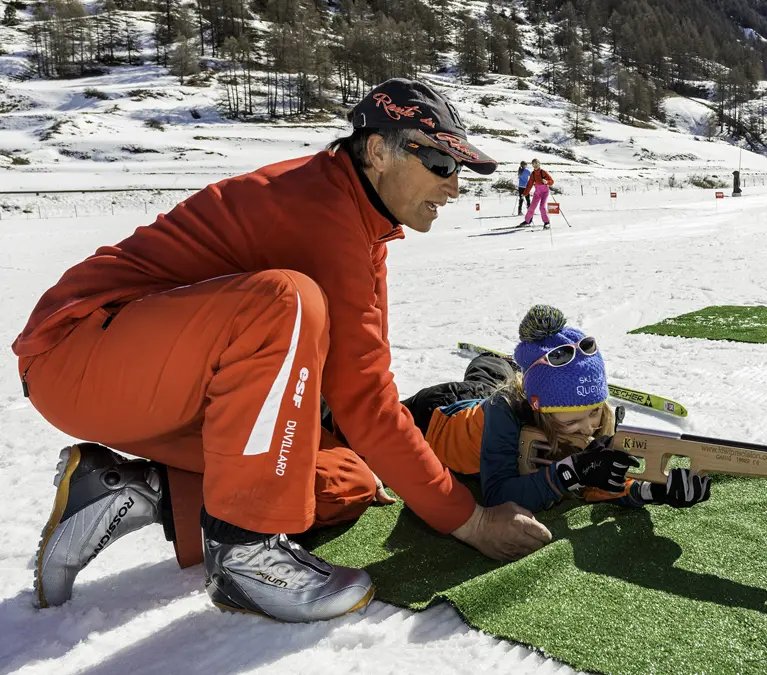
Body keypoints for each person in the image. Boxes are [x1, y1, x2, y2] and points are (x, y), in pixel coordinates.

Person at [15, 77, 552, 623]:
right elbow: (364, 399)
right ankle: (244, 553)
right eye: (440, 163)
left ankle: (133, 490)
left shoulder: (361, 222)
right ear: (377, 151)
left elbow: (363, 379)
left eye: (458, 167)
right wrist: (471, 522)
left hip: (163, 380)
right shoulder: (318, 210)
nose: (454, 186)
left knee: (345, 482)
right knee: (287, 302)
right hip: (78, 354)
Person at [404, 305, 712, 512]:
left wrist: (654, 491)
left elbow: (601, 480)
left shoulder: (595, 419)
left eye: (594, 411)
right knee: (484, 381)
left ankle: (505, 366)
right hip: (440, 412)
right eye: (576, 418)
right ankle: (500, 365)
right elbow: (498, 495)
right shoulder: (504, 412)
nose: (590, 426)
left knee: (495, 374)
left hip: (505, 392)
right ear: (543, 410)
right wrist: (571, 470)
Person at [521, 159, 554, 230]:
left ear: (539, 163)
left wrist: (547, 181)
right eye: (533, 164)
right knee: (531, 207)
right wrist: (525, 193)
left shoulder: (543, 172)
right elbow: (529, 184)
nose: (535, 165)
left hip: (544, 192)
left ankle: (546, 222)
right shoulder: (533, 174)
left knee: (542, 207)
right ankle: (527, 221)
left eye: (536, 163)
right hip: (537, 193)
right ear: (532, 165)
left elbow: (551, 181)